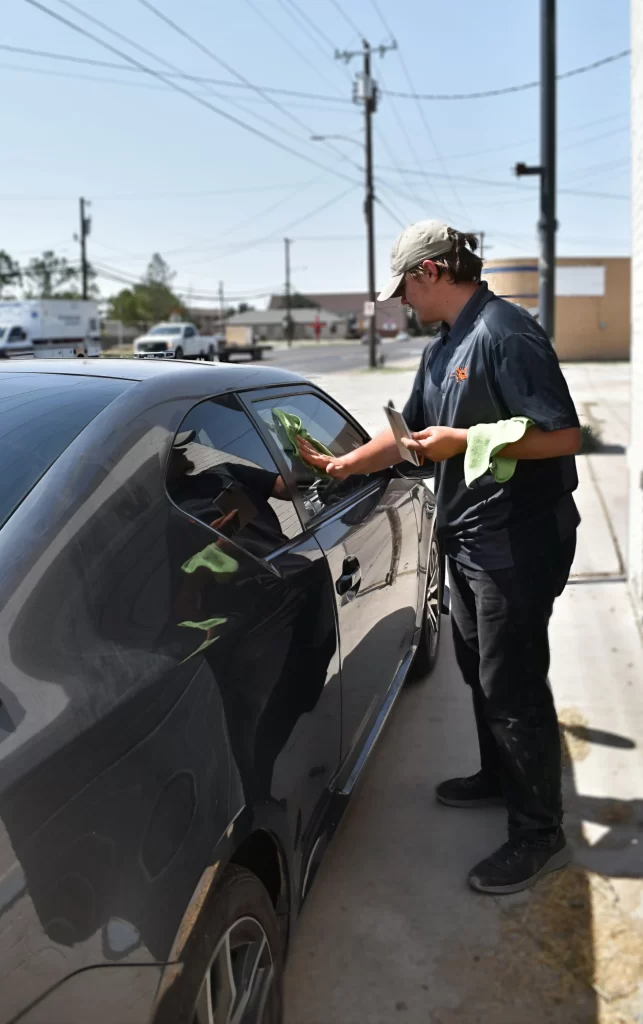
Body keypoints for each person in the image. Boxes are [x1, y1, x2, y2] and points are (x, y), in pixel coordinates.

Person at [297, 219, 581, 895]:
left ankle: (539, 835)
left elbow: (562, 436)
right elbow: (407, 440)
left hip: (517, 537)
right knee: (478, 671)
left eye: (403, 288)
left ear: (428, 272)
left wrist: (468, 439)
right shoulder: (444, 345)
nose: (402, 302)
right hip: (471, 535)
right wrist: (338, 466)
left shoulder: (505, 334)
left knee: (511, 682)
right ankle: (498, 777)